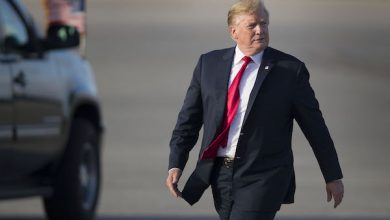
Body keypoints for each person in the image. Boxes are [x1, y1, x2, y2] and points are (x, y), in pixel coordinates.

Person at [166, 0, 344, 219]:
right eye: (252, 25)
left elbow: (316, 128)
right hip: (219, 173)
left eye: (264, 23)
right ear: (234, 32)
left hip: (264, 176)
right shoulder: (208, 64)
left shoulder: (290, 70)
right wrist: (176, 162)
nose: (260, 30)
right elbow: (188, 120)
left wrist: (332, 175)